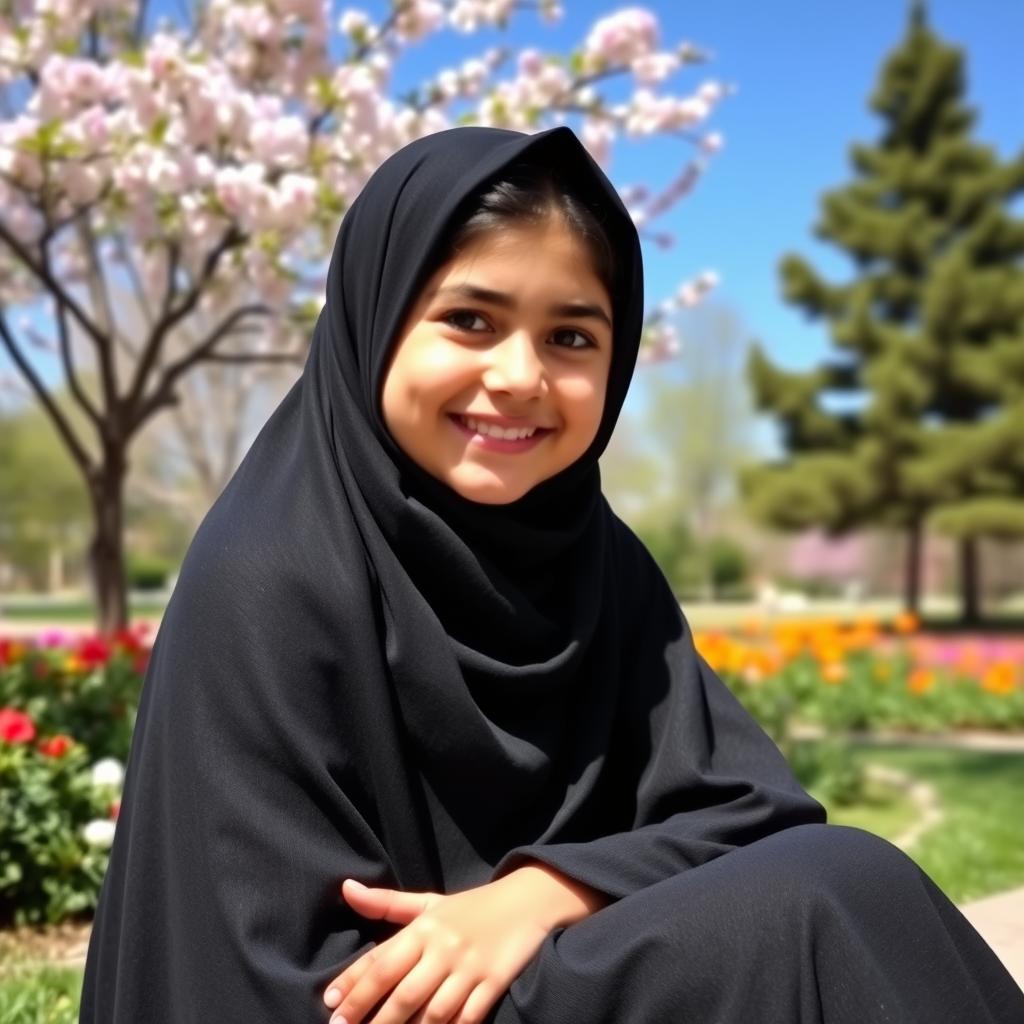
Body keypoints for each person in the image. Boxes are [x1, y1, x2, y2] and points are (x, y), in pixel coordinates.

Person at [79, 125, 1024, 1024]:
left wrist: (539, 894)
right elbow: (266, 979)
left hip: (534, 976)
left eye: (571, 337)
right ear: (374, 319)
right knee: (823, 901)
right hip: (369, 1005)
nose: (521, 376)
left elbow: (746, 809)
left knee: (838, 882)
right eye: (469, 319)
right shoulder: (271, 574)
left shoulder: (596, 562)